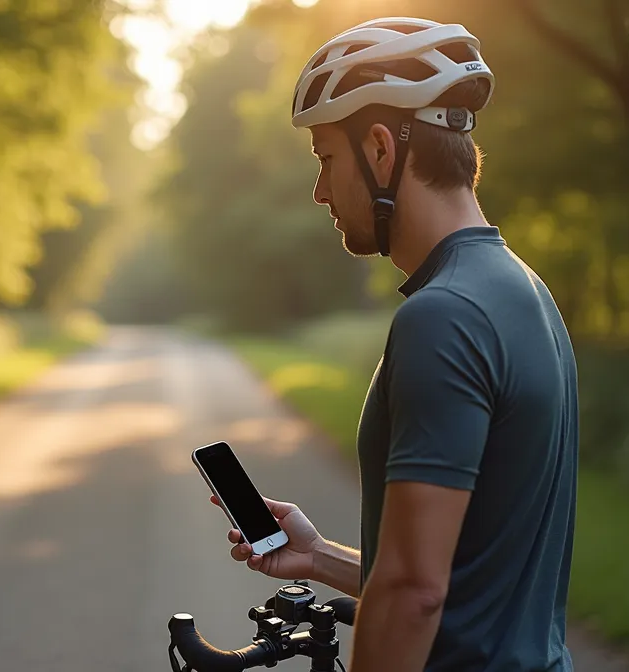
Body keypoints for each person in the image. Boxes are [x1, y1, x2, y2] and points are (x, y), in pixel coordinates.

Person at [212, 16, 579, 672]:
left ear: (380, 149)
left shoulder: (442, 318)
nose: (320, 191)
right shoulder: (523, 292)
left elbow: (414, 593)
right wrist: (318, 555)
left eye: (326, 159)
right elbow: (470, 581)